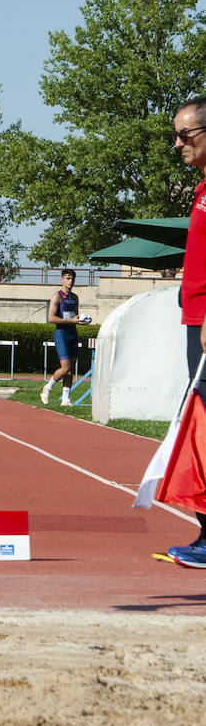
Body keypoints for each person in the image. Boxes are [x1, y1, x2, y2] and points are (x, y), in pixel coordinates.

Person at [166, 96, 206, 566]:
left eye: (186, 135)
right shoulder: (201, 190)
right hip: (194, 321)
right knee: (197, 424)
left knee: (202, 427)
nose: (178, 143)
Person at [40, 268, 90, 407]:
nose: (70, 281)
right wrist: (71, 321)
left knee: (71, 369)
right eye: (67, 278)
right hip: (61, 334)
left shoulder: (75, 297)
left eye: (72, 278)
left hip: (72, 334)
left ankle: (66, 399)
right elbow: (51, 318)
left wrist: (83, 320)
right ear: (62, 280)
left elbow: (76, 316)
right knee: (65, 368)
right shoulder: (57, 296)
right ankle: (48, 387)